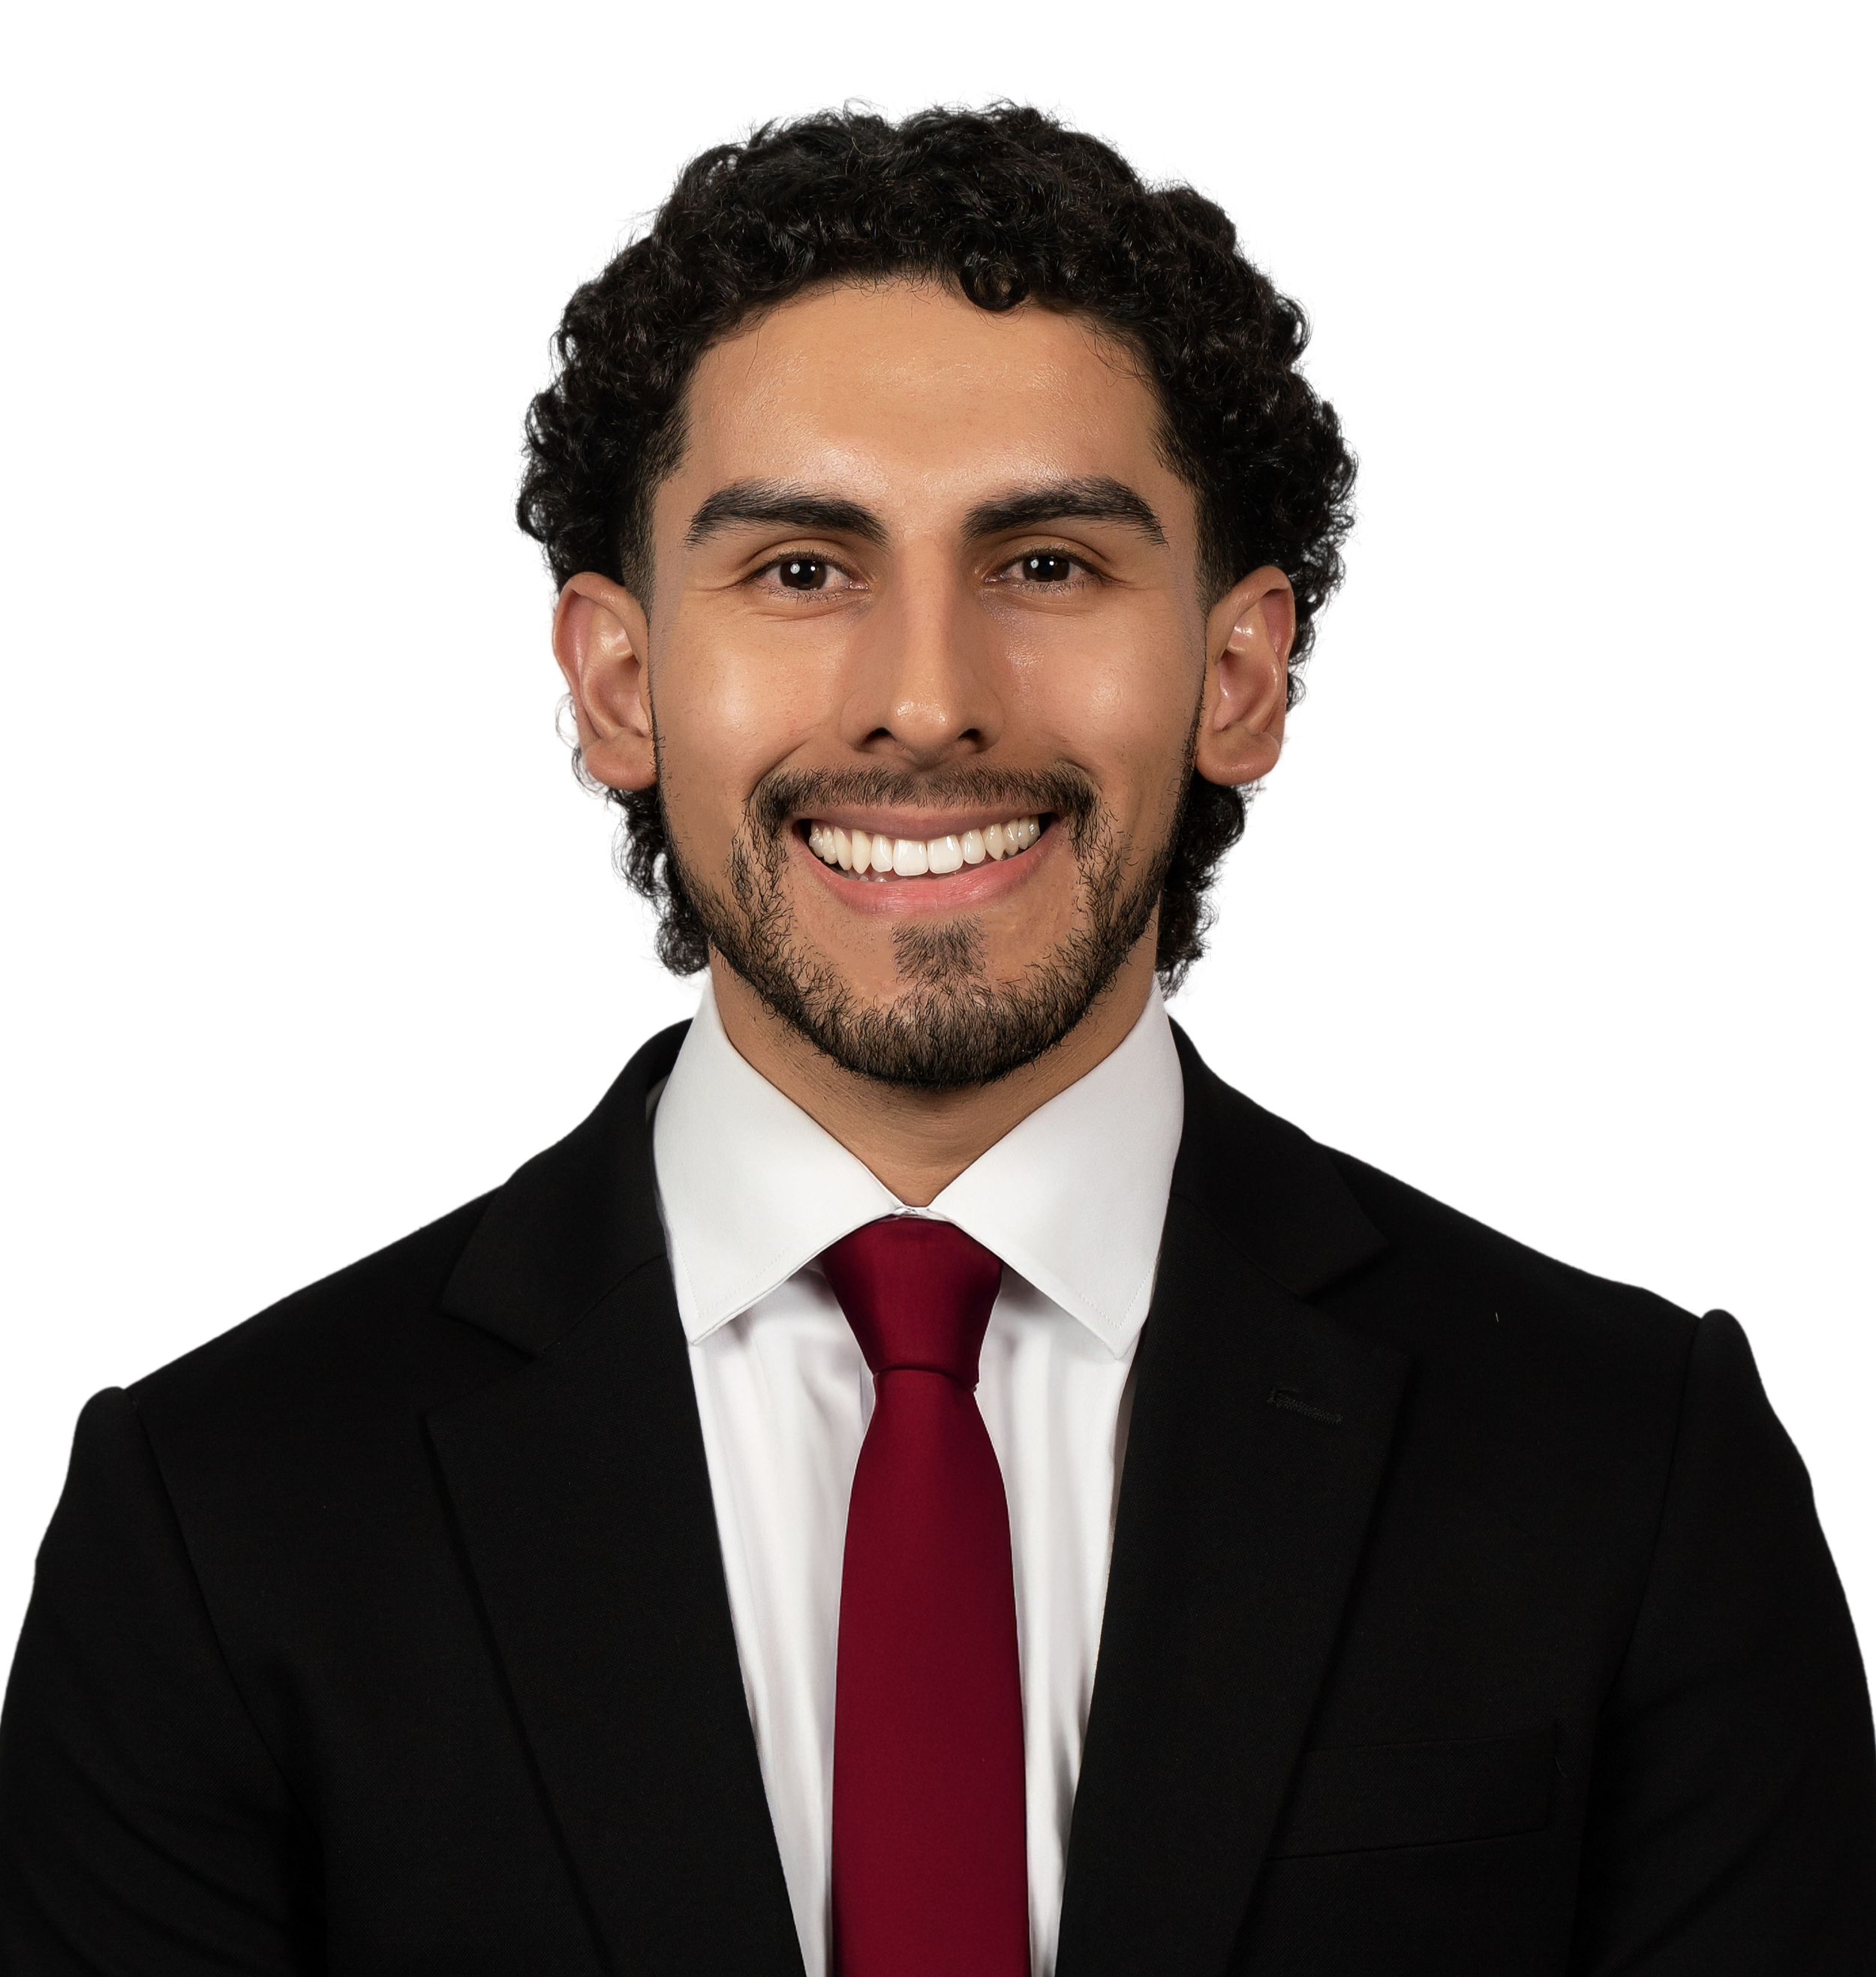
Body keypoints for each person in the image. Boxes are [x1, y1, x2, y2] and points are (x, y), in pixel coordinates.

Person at [2, 103, 1870, 1977]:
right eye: (799, 570)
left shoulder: (1630, 1474)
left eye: (1044, 564)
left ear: (1236, 673)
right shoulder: (219, 1520)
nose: (921, 701)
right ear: (619, 683)